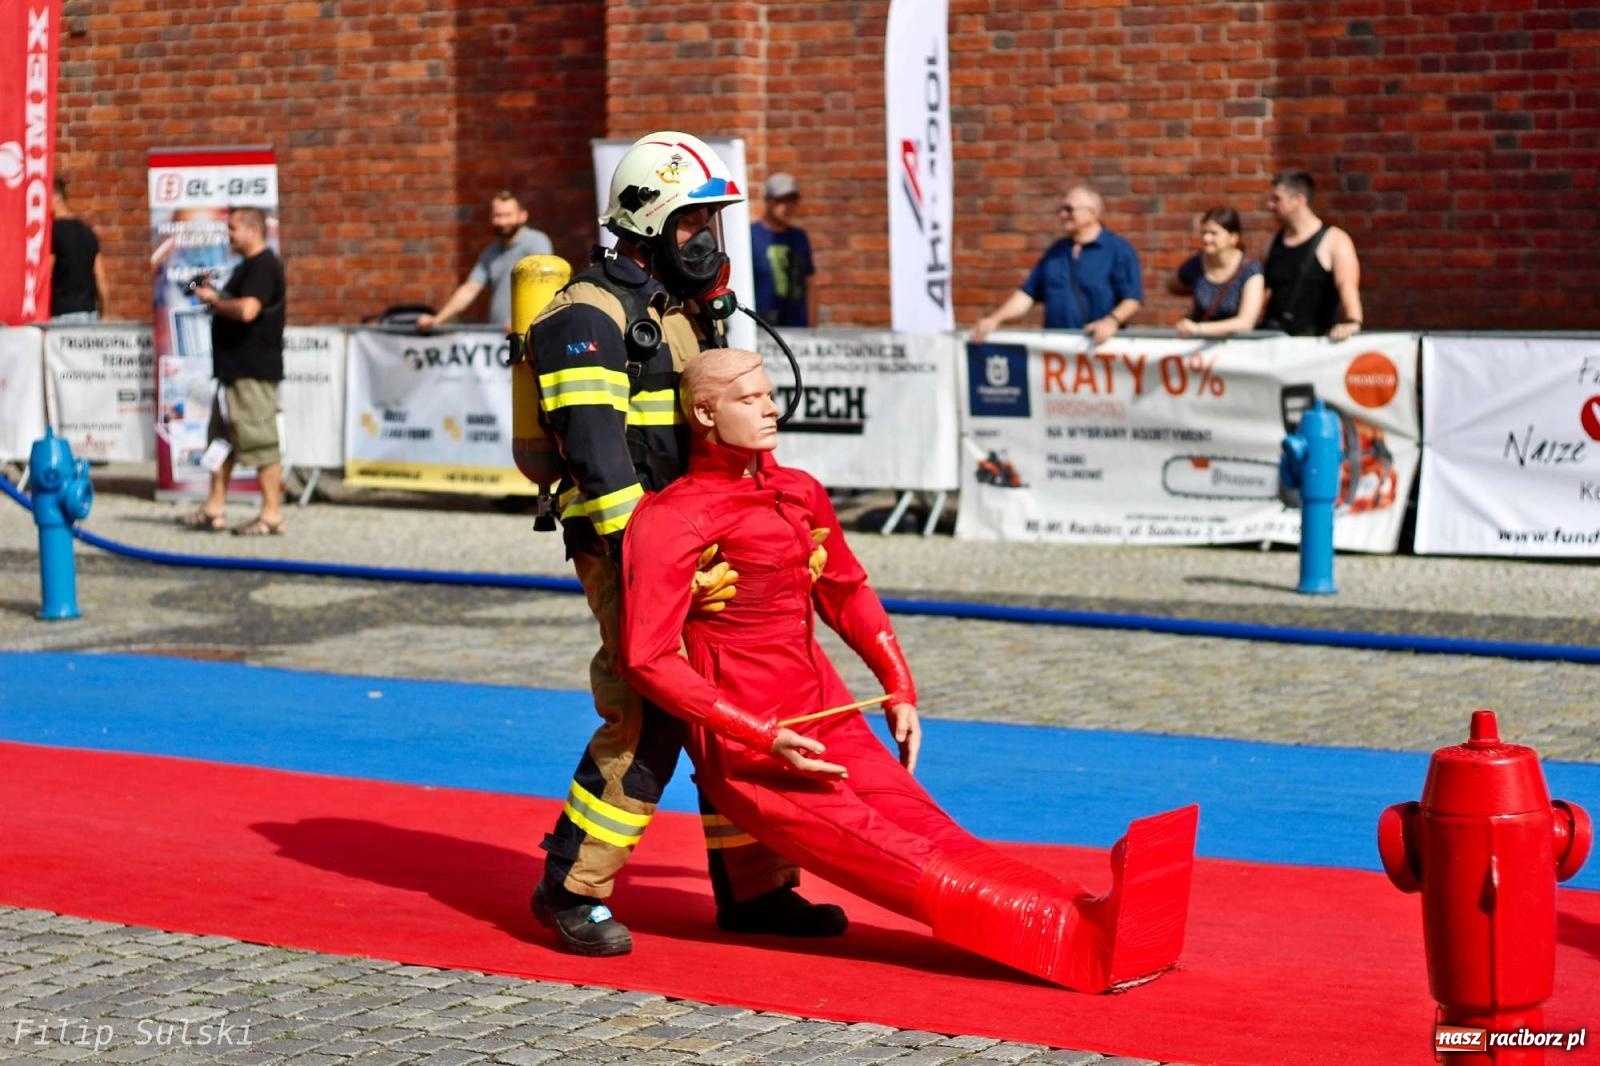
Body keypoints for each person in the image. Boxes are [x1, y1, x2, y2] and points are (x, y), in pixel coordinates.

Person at [616, 347, 1197, 992]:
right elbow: (647, 656)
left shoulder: (796, 489)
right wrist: (758, 734)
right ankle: (1074, 941)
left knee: (932, 830)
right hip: (758, 745)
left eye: (769, 393)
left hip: (826, 709)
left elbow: (844, 589)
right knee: (892, 853)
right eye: (750, 399)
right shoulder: (673, 518)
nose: (772, 408)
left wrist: (899, 685)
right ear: (703, 411)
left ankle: (1091, 910)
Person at [527, 131, 845, 958]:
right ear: (644, 223)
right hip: (631, 548)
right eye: (691, 223)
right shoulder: (584, 316)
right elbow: (598, 459)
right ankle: (570, 887)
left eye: (712, 222)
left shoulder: (682, 311)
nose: (707, 241)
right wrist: (666, 563)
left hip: (699, 543)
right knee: (649, 714)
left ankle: (758, 889)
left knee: (737, 701)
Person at [180, 207, 288, 536]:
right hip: (231, 371)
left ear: (253, 230)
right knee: (221, 441)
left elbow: (247, 311)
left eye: (233, 228)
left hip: (251, 371)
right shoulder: (246, 268)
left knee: (260, 442)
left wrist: (214, 300)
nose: (228, 235)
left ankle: (271, 514)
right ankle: (215, 507)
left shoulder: (264, 266)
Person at [971, 184, 1143, 345]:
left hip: (1099, 350)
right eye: (1061, 210)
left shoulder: (1118, 250)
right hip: (1058, 351)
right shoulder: (1056, 252)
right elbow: (1026, 295)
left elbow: (1132, 298)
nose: (1063, 215)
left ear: (1093, 212)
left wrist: (1111, 321)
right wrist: (995, 319)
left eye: (1069, 209)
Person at [417, 191, 552, 333]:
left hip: (530, 337)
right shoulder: (490, 253)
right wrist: (437, 320)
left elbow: (544, 287)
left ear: (522, 216)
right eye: (497, 215)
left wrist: (521, 320)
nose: (502, 221)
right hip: (500, 339)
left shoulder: (537, 242)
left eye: (508, 215)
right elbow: (470, 289)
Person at [1259, 170, 1364, 341]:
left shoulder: (1334, 240)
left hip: (1314, 344)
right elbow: (1260, 293)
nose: (1270, 205)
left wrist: (1353, 320)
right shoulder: (1271, 243)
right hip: (1273, 344)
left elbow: (1347, 285)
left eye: (1277, 199)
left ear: (1299, 200)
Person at [1171, 206, 1266, 339]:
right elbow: (1173, 285)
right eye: (1204, 232)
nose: (1207, 238)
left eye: (1214, 233)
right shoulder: (1196, 264)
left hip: (1238, 349)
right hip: (1201, 352)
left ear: (1233, 237)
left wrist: (1199, 328)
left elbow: (1246, 323)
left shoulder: (1249, 270)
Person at [749, 172, 817, 327]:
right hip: (762, 326)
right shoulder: (751, 236)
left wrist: (813, 328)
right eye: (781, 200)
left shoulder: (799, 237)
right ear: (767, 200)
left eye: (792, 200)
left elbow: (810, 283)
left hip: (797, 326)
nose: (788, 206)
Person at [48, 178, 109, 323]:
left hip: (61, 314)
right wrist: (105, 314)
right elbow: (101, 279)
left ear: (56, 197)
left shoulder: (52, 233)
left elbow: (47, 274)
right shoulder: (88, 233)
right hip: (89, 314)